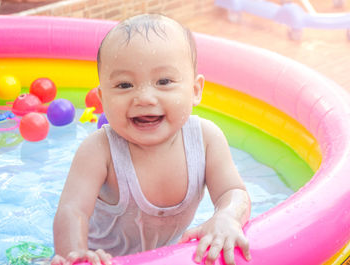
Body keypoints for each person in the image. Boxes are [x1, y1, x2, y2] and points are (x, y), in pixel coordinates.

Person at [52, 14, 251, 265]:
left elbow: (233, 191)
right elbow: (72, 210)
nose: (144, 97)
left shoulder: (206, 139)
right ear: (102, 99)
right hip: (100, 259)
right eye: (125, 85)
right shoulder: (99, 150)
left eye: (164, 81)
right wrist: (75, 254)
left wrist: (227, 216)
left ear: (195, 91)